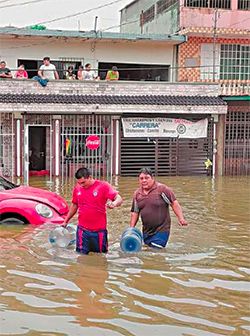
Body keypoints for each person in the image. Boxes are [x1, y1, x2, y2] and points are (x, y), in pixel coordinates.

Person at [63, 167, 123, 255]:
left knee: (101, 257)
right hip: (82, 231)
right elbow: (74, 205)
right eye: (79, 183)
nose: (82, 185)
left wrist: (114, 204)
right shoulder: (77, 189)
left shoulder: (103, 186)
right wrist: (66, 221)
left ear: (90, 177)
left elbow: (119, 198)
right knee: (80, 257)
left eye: (83, 182)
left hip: (99, 232)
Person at [130, 167, 187, 249]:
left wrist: (181, 218)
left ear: (152, 178)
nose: (144, 180)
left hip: (162, 230)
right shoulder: (137, 194)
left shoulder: (162, 189)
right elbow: (135, 212)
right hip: (146, 231)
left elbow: (174, 203)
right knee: (148, 255)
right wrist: (131, 229)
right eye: (141, 178)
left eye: (147, 178)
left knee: (155, 251)